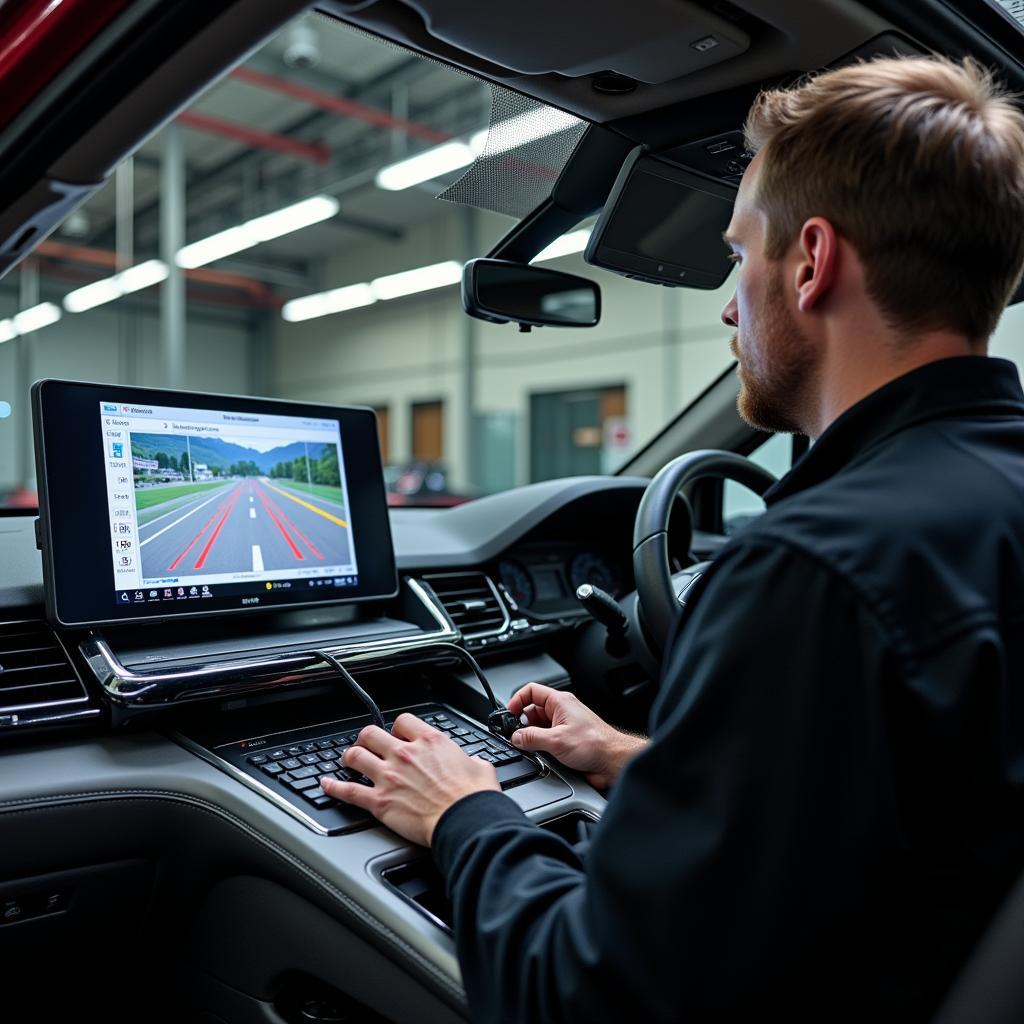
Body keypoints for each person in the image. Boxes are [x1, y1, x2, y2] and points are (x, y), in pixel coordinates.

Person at [321, 55, 1024, 1020]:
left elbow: (584, 997)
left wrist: (463, 812)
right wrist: (637, 758)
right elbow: (916, 811)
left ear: (812, 262)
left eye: (740, 255)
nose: (730, 304)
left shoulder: (814, 570)